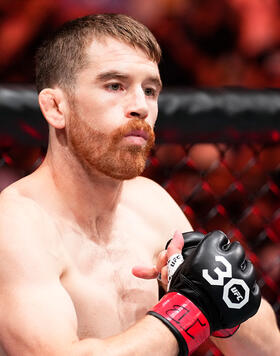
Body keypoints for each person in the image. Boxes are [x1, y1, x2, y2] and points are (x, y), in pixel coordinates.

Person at [0, 13, 277, 356]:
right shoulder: (16, 223)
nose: (140, 107)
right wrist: (188, 308)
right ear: (57, 107)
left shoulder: (150, 202)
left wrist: (224, 303)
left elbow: (269, 350)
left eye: (150, 90)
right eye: (115, 85)